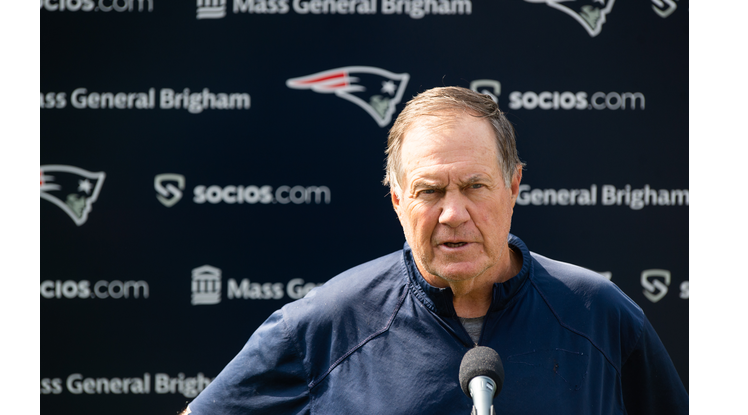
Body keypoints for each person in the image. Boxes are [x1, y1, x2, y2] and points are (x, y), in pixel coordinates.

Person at [185, 86, 688, 414]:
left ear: (514, 187)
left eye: (474, 186)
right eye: (430, 191)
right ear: (398, 198)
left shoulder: (599, 313)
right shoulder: (325, 325)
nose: (453, 214)